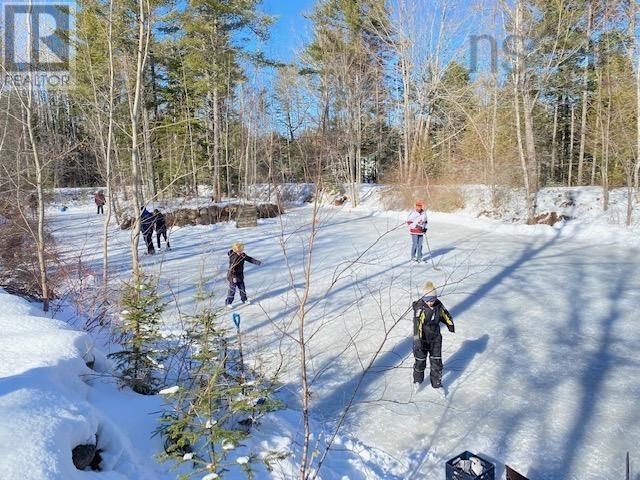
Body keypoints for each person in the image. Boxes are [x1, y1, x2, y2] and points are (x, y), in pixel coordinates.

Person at [412, 281, 454, 389]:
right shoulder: (420, 308)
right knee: (420, 361)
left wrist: (450, 324)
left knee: (436, 362)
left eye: (432, 300)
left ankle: (437, 384)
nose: (431, 302)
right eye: (428, 300)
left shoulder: (438, 305)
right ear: (424, 299)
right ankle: (417, 381)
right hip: (422, 340)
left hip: (435, 338)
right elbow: (417, 326)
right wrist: (417, 341)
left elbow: (445, 314)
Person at [225, 242, 262, 308]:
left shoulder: (242, 255)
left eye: (241, 250)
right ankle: (228, 303)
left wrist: (257, 262)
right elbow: (232, 268)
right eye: (239, 251)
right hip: (233, 277)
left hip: (240, 276)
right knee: (232, 290)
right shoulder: (233, 257)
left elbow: (249, 259)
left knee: (242, 289)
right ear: (235, 251)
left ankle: (244, 300)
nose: (241, 252)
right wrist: (233, 277)